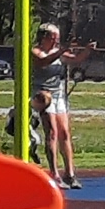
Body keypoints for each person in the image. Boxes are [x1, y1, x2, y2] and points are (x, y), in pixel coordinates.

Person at [31, 22, 78, 184]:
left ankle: (70, 173)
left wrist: (88, 50)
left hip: (58, 95)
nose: (56, 40)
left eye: (58, 37)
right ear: (44, 37)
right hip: (42, 95)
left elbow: (77, 59)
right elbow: (44, 61)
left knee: (64, 132)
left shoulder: (57, 52)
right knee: (52, 132)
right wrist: (62, 50)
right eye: (53, 37)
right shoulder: (36, 51)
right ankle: (54, 173)